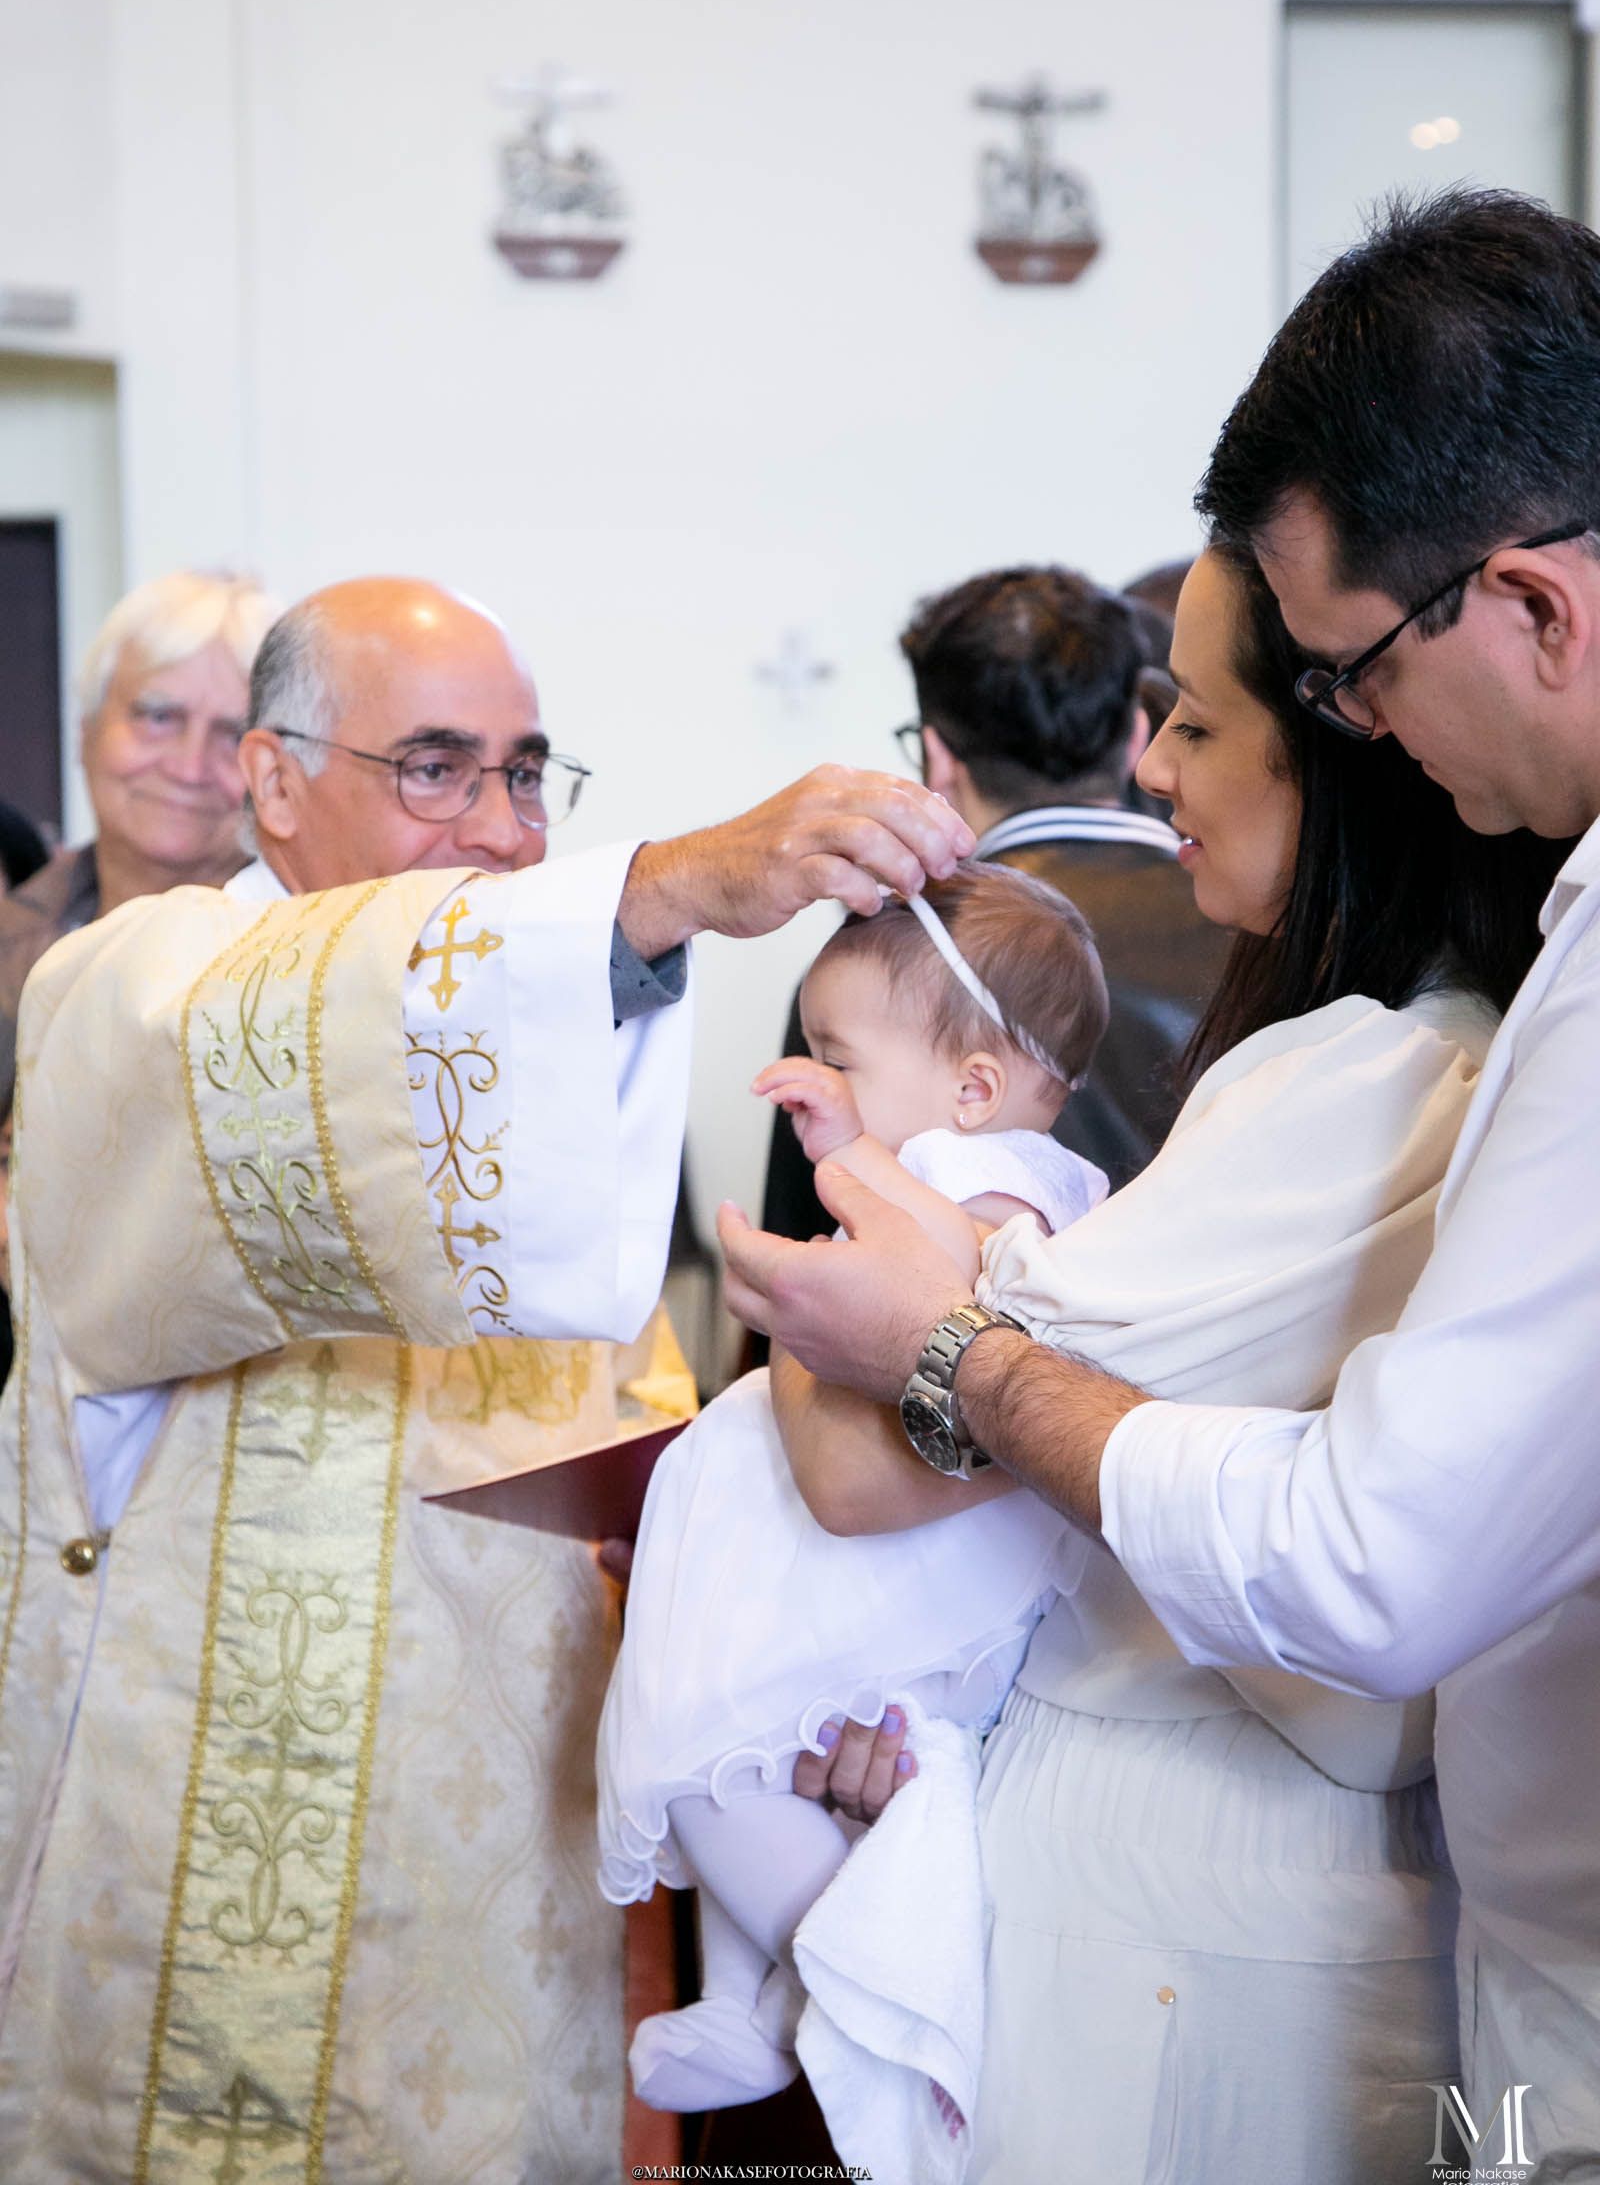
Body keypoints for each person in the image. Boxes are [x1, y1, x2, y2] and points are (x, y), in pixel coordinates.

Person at [720, 189, 1600, 2167]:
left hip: (1232, 1909)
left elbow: (1356, 1562)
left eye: (1269, 700)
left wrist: (936, 1339)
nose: (1162, 775)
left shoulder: (1383, 1067)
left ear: (1527, 612)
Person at [0, 574, 972, 2185]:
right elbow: (303, 1037)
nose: (507, 828)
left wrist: (778, 1645)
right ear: (274, 778)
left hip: (490, 1874)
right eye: (438, 768)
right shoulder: (128, 985)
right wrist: (665, 886)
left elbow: (646, 1432)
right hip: (183, 1843)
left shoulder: (540, 1056)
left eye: (526, 775)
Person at [598, 864, 1108, 2120]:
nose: (816, 1083)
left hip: (905, 1570)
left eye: (842, 1057)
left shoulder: (1004, 1183)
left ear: (974, 1087)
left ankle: (834, 1975)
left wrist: (842, 1155)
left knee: (710, 1743)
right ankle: (754, 1989)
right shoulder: (930, 1158)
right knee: (728, 1761)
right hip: (844, 1543)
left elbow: (949, 1272)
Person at [756, 569, 1222, 1272]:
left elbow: (805, 1261)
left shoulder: (881, 964)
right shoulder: (1264, 932)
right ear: (1135, 739)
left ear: (938, 756)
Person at [0, 571, 274, 1395]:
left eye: (231, 734)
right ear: (86, 732)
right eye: (156, 716)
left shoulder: (311, 961)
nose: (189, 765)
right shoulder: (8, 936)